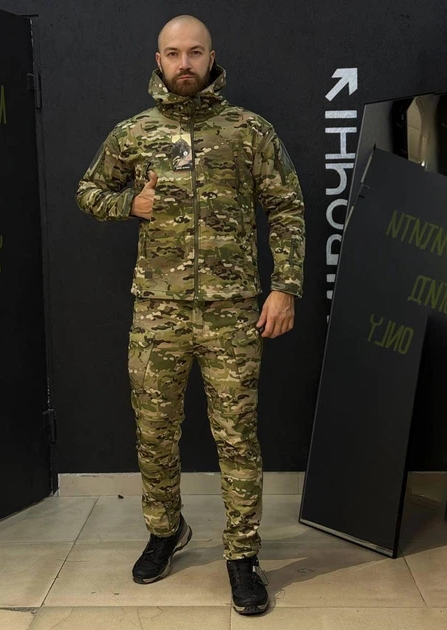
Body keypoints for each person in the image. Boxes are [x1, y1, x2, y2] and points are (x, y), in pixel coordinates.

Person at [75, 14, 305, 616]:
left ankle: (242, 555)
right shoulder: (134, 133)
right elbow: (88, 191)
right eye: (173, 53)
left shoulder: (249, 131)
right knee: (155, 433)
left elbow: (286, 208)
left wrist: (284, 288)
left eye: (194, 52)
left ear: (211, 58)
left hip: (233, 313)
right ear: (158, 61)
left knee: (236, 436)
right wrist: (130, 204)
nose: (184, 63)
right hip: (157, 311)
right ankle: (165, 531)